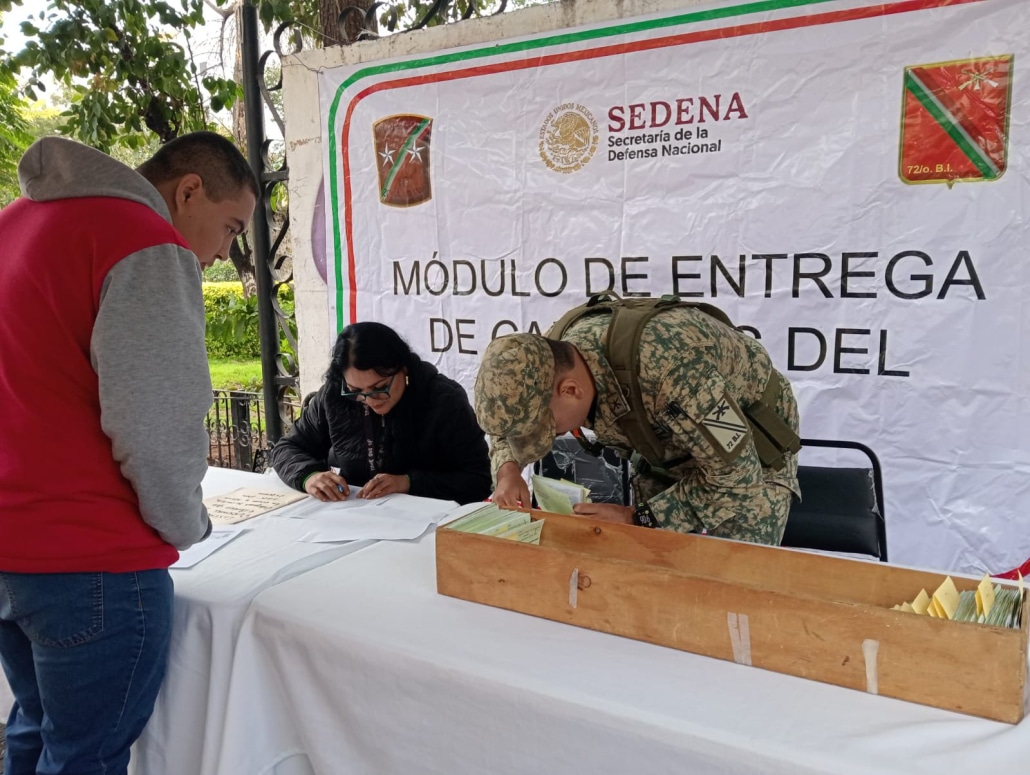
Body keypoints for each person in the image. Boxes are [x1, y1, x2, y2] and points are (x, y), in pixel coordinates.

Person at [0, 132, 257, 775]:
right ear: (189, 190)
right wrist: (186, 523)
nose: (224, 253)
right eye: (230, 227)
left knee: (36, 731)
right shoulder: (142, 241)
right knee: (81, 757)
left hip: (14, 544)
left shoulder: (15, 224)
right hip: (91, 559)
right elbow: (154, 421)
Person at [473, 296, 801, 545]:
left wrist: (635, 517)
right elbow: (508, 422)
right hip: (668, 435)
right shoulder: (539, 361)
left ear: (571, 390)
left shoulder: (673, 372)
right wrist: (508, 470)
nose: (545, 437)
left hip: (749, 447)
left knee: (736, 573)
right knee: (654, 556)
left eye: (547, 428)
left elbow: (738, 478)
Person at [271, 321, 492, 505]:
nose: (369, 400)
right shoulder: (334, 396)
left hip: (427, 522)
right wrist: (309, 476)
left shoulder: (443, 400)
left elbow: (478, 479)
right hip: (353, 515)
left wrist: (408, 483)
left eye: (380, 387)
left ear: (403, 368)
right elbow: (286, 448)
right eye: (355, 390)